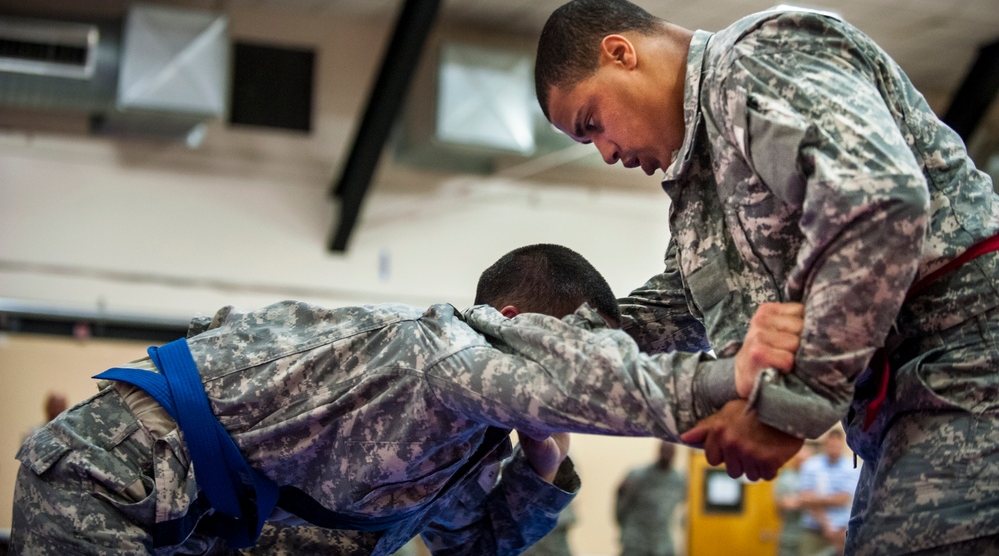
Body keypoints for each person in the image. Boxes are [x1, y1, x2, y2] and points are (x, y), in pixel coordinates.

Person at [533, 0, 999, 554]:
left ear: (620, 53)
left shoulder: (754, 57)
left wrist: (786, 408)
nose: (606, 154)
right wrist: (522, 352)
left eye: (592, 124)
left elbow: (878, 202)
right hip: (902, 408)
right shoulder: (700, 192)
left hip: (970, 361)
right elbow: (668, 315)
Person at [10, 243, 801, 556]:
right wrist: (725, 386)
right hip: (108, 483)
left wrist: (540, 461)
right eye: (569, 350)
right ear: (509, 326)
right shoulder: (432, 349)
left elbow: (476, 548)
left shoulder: (472, 439)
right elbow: (593, 379)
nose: (571, 373)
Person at [614, 441, 686, 556]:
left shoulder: (678, 480)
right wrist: (623, 529)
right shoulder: (638, 476)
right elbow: (621, 504)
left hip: (662, 544)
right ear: (658, 451)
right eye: (664, 450)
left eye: (670, 451)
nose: (667, 454)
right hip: (636, 542)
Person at [796, 427, 860, 556]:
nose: (833, 447)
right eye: (831, 444)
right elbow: (804, 498)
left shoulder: (850, 467)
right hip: (813, 530)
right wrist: (827, 524)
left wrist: (815, 499)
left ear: (842, 445)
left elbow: (843, 500)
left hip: (841, 532)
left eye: (837, 445)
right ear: (825, 444)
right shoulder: (810, 465)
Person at [772, 441, 815, 556]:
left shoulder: (815, 478)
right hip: (789, 535)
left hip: (812, 535)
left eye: (806, 460)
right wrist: (808, 501)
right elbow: (783, 503)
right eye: (801, 459)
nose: (804, 463)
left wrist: (799, 500)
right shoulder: (786, 478)